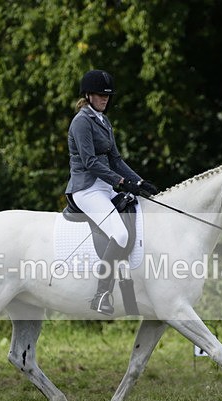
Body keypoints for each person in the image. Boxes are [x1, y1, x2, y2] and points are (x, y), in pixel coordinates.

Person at [66, 69, 158, 315]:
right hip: (86, 189)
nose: (105, 99)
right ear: (88, 95)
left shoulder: (103, 121)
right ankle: (101, 293)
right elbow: (89, 162)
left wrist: (138, 182)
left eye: (107, 95)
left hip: (104, 187)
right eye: (99, 95)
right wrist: (121, 182)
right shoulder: (81, 121)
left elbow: (116, 159)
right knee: (119, 233)